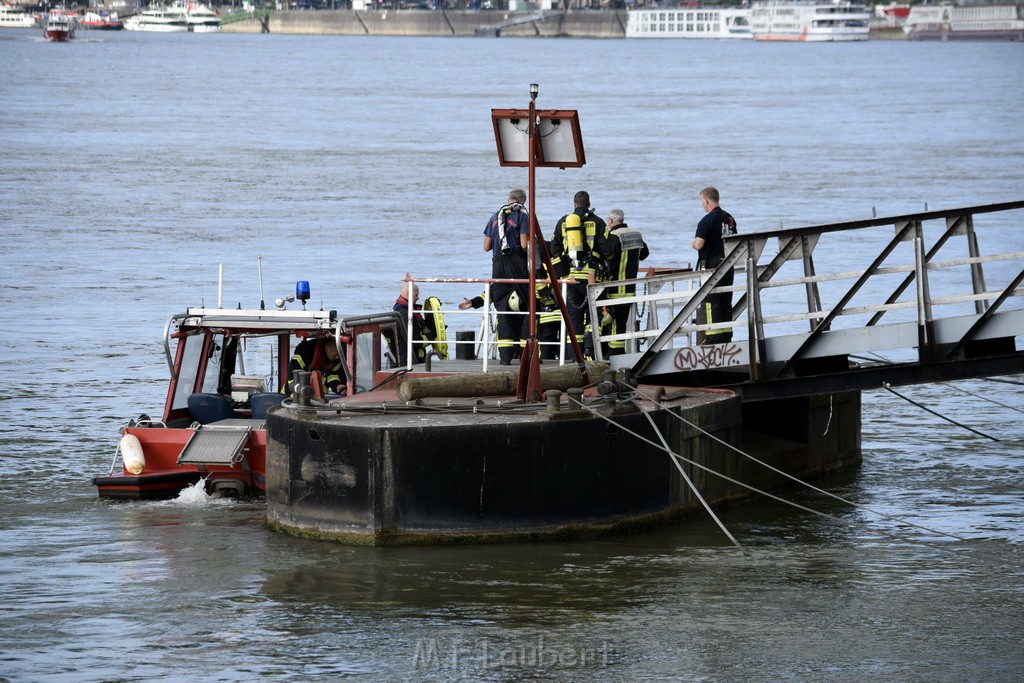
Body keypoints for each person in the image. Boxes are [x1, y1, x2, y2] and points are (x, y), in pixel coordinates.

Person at [549, 190, 613, 359]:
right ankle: (590, 350)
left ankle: (573, 357)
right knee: (595, 315)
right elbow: (607, 249)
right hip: (592, 278)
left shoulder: (563, 223)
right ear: (589, 204)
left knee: (574, 318)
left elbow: (554, 250)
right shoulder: (598, 222)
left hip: (571, 279)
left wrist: (564, 274)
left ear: (574, 204)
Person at [481, 188, 531, 365]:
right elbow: (525, 244)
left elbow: (486, 246)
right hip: (516, 266)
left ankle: (505, 360)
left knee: (502, 311)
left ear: (508, 199)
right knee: (527, 309)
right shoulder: (523, 217)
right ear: (522, 202)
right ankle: (526, 357)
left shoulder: (495, 216)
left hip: (498, 268)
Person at [692, 187, 738, 344]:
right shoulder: (730, 218)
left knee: (712, 300)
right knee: (726, 299)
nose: (702, 205)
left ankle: (714, 337)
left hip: (712, 264)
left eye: (701, 202)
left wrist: (693, 243)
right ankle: (726, 335)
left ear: (706, 200)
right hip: (728, 262)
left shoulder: (706, 221)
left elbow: (699, 244)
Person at [604, 208, 649, 356]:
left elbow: (609, 261)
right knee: (621, 324)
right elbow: (644, 254)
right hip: (630, 289)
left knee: (615, 325)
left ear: (611, 221)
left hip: (615, 290)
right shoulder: (635, 235)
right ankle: (619, 354)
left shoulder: (613, 237)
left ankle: (614, 356)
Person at [393, 282, 440, 364]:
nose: (418, 298)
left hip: (414, 358)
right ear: (408, 294)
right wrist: (432, 336)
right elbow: (416, 341)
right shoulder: (406, 314)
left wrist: (431, 317)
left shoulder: (407, 311)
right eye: (416, 295)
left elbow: (421, 328)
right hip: (410, 361)